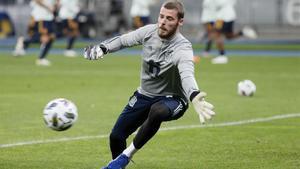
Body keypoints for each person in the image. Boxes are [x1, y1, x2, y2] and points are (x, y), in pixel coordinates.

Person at [84, 1, 216, 169]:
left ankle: (126, 156)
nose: (163, 22)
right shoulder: (148, 32)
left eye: (169, 18)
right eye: (161, 17)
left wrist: (194, 96)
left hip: (173, 99)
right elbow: (124, 40)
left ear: (179, 22)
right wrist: (103, 48)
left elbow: (187, 73)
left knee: (157, 111)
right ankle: (118, 165)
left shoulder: (182, 47)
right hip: (144, 95)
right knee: (116, 136)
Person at [211, 0, 257, 64]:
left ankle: (222, 56)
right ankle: (243, 32)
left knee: (217, 34)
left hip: (223, 17)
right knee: (228, 36)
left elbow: (218, 4)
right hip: (227, 16)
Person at [13, 0, 58, 66]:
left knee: (51, 37)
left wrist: (55, 6)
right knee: (44, 38)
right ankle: (24, 43)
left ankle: (40, 57)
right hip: (41, 17)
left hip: (49, 17)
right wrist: (48, 7)